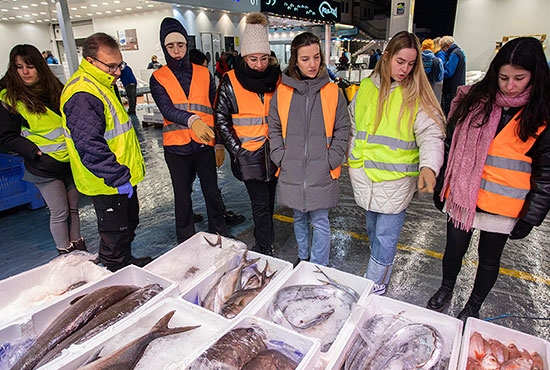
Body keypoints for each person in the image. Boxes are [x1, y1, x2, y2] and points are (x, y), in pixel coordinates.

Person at [427, 37, 550, 321]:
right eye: (503, 77)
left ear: (535, 75)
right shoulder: (473, 100)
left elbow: (546, 173)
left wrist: (532, 215)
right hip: (461, 195)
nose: (509, 85)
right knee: (453, 250)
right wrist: (442, 182)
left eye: (519, 78)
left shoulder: (541, 113)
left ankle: (473, 305)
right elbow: (451, 144)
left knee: (489, 260)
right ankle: (446, 288)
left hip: (504, 204)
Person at [347, 31, 445, 295]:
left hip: (397, 181)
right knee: (373, 232)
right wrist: (352, 160)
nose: (405, 69)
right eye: (400, 61)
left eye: (411, 64)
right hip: (365, 177)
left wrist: (429, 166)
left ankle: (376, 284)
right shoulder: (367, 87)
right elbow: (354, 126)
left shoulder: (416, 94)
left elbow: (431, 133)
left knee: (384, 238)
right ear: (387, 56)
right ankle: (377, 272)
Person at [61, 32, 151, 272]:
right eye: (111, 66)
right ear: (91, 62)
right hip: (107, 182)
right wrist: (118, 177)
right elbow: (89, 145)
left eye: (119, 64)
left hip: (121, 177)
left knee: (127, 226)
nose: (117, 71)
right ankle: (114, 276)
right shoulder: (83, 94)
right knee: (114, 235)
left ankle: (126, 264)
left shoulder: (102, 83)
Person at [268, 32, 349, 266]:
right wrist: (279, 156)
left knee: (321, 220)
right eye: (305, 59)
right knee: (299, 217)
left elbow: (343, 128)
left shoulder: (333, 91)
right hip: (291, 166)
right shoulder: (282, 91)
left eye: (316, 57)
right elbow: (273, 126)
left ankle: (317, 265)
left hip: (321, 168)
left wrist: (332, 158)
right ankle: (303, 258)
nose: (312, 64)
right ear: (295, 60)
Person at [150, 17, 231, 243]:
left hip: (204, 145)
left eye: (181, 45)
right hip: (176, 148)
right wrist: (192, 119)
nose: (176, 51)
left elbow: (215, 108)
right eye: (170, 46)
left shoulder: (204, 73)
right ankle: (185, 239)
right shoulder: (158, 77)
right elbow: (166, 109)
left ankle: (220, 231)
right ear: (164, 48)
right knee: (182, 197)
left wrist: (220, 143)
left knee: (212, 192)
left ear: (187, 44)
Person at [0, 44, 85, 255]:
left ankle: (80, 250)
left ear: (40, 66)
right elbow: (6, 136)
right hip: (43, 165)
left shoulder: (55, 87)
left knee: (74, 210)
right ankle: (65, 254)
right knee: (60, 212)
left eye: (30, 66)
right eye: (19, 67)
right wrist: (33, 152)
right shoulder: (9, 98)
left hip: (69, 160)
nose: (25, 72)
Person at [215, 12, 281, 256]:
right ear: (244, 57)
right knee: (260, 204)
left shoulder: (278, 79)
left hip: (274, 153)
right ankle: (264, 246)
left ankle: (266, 241)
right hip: (249, 153)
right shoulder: (230, 81)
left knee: (269, 202)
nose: (259, 64)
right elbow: (221, 118)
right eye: (253, 59)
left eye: (264, 58)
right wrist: (236, 149)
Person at [187, 47, 246, 227]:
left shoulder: (207, 85)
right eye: (204, 67)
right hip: (185, 145)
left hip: (205, 143)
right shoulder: (188, 85)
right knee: (194, 184)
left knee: (209, 183)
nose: (207, 71)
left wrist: (219, 145)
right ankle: (209, 214)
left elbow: (217, 114)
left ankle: (218, 216)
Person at [439, 36, 466, 117]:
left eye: (442, 48)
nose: (442, 50)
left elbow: (449, 72)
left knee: (448, 112)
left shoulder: (454, 54)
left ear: (447, 45)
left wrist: (438, 73)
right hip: (457, 86)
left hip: (452, 88)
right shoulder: (459, 52)